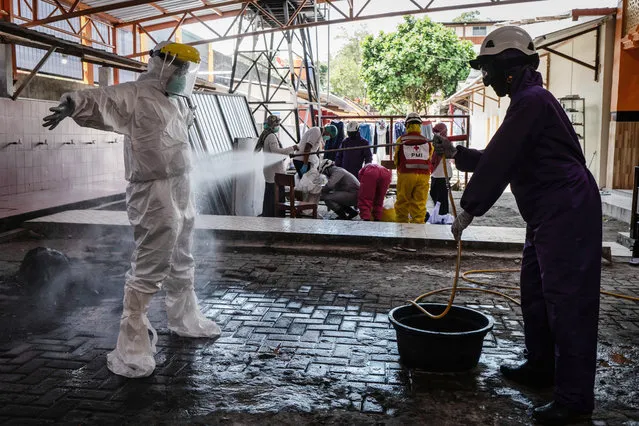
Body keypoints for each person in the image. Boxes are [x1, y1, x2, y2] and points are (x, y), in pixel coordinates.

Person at [434, 26, 602, 425]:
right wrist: (458, 153)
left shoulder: (532, 101)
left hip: (567, 210)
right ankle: (542, 366)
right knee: (536, 293)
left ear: (510, 65)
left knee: (567, 303)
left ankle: (575, 399)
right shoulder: (527, 102)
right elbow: (501, 154)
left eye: (489, 69)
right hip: (546, 213)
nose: (487, 78)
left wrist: (468, 210)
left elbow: (500, 160)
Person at [42, 42, 221, 378]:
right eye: (181, 69)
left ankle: (184, 318)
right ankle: (132, 344)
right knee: (152, 262)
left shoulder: (179, 99)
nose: (184, 76)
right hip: (152, 190)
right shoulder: (138, 95)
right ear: (166, 66)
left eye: (187, 71)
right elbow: (105, 98)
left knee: (182, 255)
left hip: (181, 185)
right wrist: (72, 101)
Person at [394, 112, 439, 223]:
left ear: (407, 125)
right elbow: (429, 157)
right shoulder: (427, 141)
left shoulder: (402, 140)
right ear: (420, 125)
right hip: (424, 176)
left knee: (403, 202)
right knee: (419, 204)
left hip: (406, 174)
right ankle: (418, 230)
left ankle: (402, 228)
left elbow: (396, 159)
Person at [255, 115, 297, 217]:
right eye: (277, 124)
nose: (278, 126)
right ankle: (275, 216)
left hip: (270, 170)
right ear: (273, 125)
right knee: (275, 196)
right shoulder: (271, 136)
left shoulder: (267, 135)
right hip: (274, 172)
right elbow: (276, 152)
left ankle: (269, 215)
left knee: (270, 194)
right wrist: (292, 148)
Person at [429, 123, 454, 216]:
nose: (436, 133)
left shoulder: (447, 142)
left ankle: (443, 215)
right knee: (434, 194)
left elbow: (451, 154)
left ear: (443, 131)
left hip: (444, 173)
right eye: (435, 131)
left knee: (442, 197)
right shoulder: (435, 141)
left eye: (438, 131)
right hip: (436, 173)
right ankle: (439, 214)